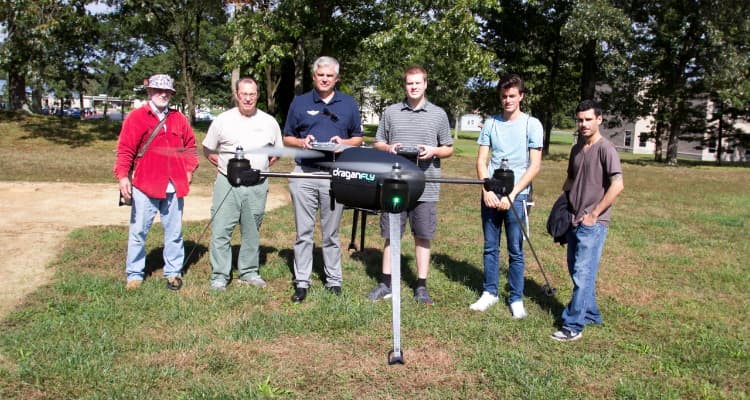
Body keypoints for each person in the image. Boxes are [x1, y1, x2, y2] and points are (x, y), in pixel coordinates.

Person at [366, 65, 454, 305]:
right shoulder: (391, 112)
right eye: (409, 83)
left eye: (418, 83)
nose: (414, 87)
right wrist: (389, 148)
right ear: (405, 85)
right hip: (395, 184)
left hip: (427, 186)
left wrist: (433, 151)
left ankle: (421, 286)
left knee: (423, 235)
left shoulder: (438, 114)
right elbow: (378, 142)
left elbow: (448, 148)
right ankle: (386, 283)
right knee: (391, 233)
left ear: (426, 84)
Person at [283, 56, 364, 303]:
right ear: (314, 76)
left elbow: (358, 138)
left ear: (336, 78)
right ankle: (302, 282)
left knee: (331, 233)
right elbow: (287, 138)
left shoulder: (348, 104)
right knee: (303, 232)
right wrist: (302, 142)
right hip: (304, 174)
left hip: (334, 175)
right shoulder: (300, 102)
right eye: (321, 75)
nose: (325, 79)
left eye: (330, 75)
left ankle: (334, 281)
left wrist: (344, 143)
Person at [114, 74, 199, 291]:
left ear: (171, 94)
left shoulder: (178, 119)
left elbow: (190, 145)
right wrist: (123, 176)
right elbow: (125, 150)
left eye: (167, 91)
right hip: (146, 185)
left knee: (174, 232)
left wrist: (189, 168)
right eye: (158, 90)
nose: (163, 94)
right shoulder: (136, 117)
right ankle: (134, 273)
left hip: (175, 185)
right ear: (150, 92)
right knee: (139, 232)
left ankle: (173, 271)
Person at [470, 74, 543, 317]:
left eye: (512, 96)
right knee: (491, 247)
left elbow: (534, 166)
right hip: (492, 194)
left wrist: (512, 194)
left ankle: (516, 298)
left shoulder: (532, 125)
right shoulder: (491, 123)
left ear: (521, 96)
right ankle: (489, 292)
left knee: (515, 249)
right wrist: (486, 189)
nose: (507, 100)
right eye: (503, 96)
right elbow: (481, 160)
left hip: (517, 196)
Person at [551, 99, 624, 342]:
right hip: (573, 220)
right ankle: (590, 313)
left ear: (599, 120)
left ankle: (573, 325)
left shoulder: (606, 149)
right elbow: (571, 181)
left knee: (583, 273)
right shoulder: (576, 149)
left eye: (588, 119)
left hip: (593, 224)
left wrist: (594, 215)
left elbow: (617, 185)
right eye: (580, 120)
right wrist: (562, 208)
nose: (583, 124)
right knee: (578, 271)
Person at [202, 78, 283, 291]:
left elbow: (277, 152)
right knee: (221, 229)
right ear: (237, 95)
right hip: (226, 184)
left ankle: (248, 272)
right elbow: (208, 149)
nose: (248, 98)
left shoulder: (269, 122)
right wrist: (226, 168)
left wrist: (260, 167)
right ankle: (220, 275)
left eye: (252, 94)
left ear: (258, 95)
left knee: (251, 230)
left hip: (257, 185)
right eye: (244, 94)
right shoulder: (222, 120)